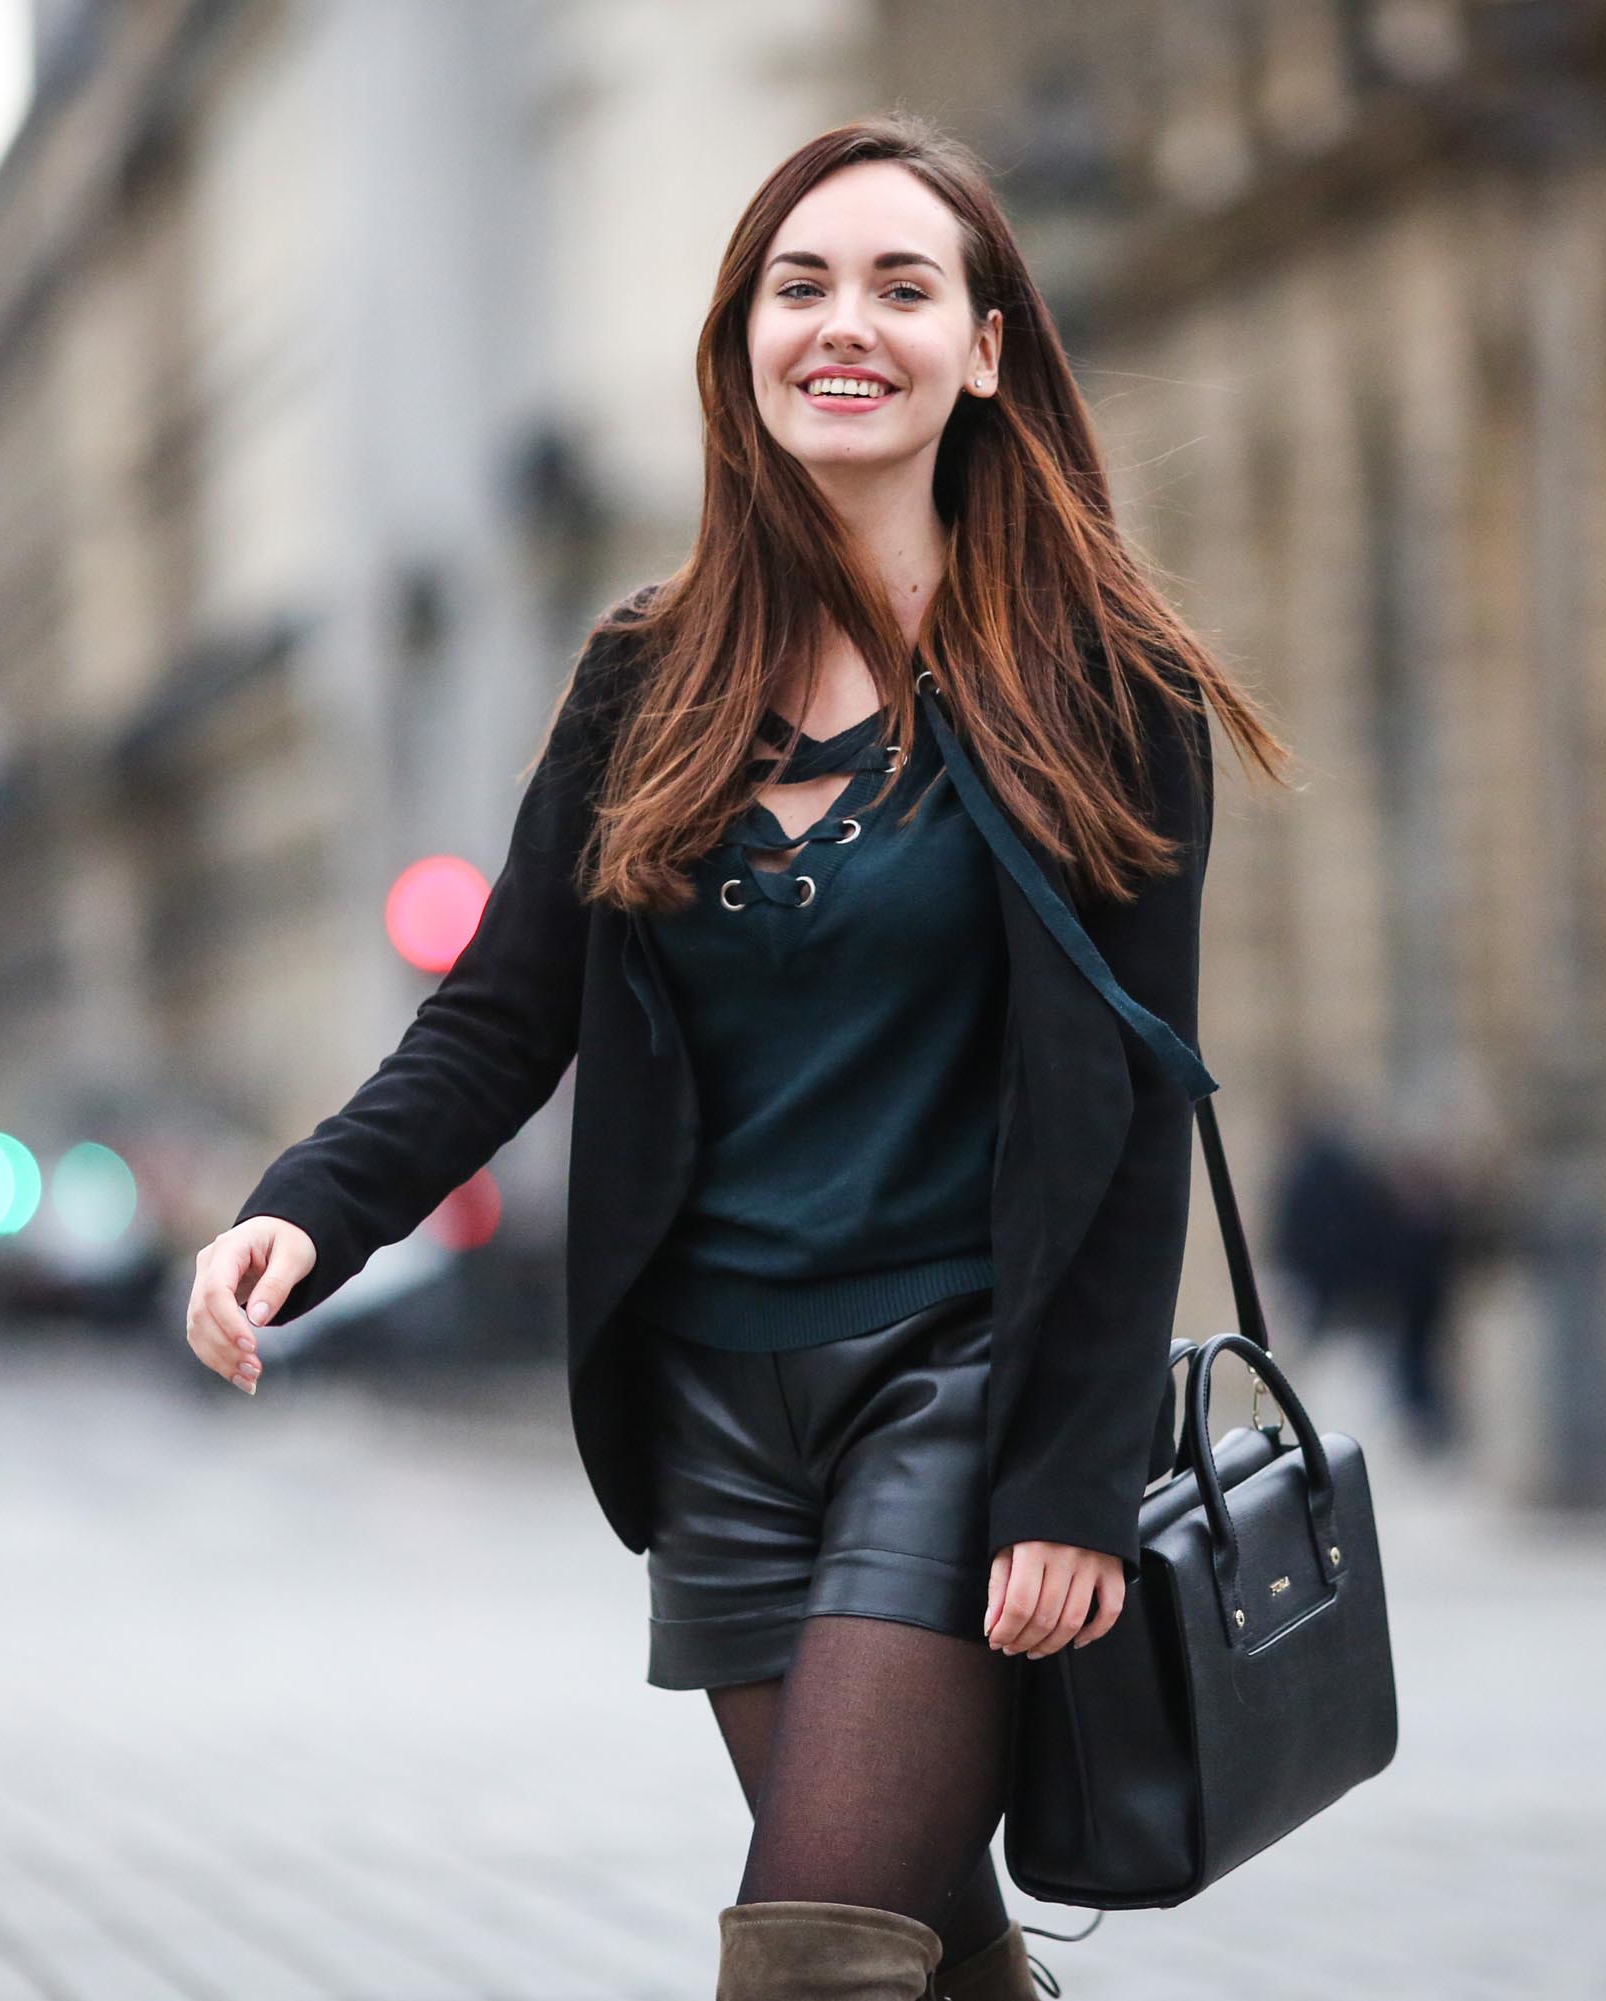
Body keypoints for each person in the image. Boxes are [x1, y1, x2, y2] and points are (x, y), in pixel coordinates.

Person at [184, 115, 1289, 2001]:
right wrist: (308, 1209)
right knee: (917, 1947)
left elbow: (1132, 1100)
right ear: (743, 343)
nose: (843, 324)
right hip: (716, 1411)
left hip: (954, 1385)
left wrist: (1070, 1480)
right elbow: (500, 1015)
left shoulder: (1101, 683)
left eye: (900, 285)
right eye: (801, 286)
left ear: (987, 347)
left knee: (809, 1957)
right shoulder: (649, 676)